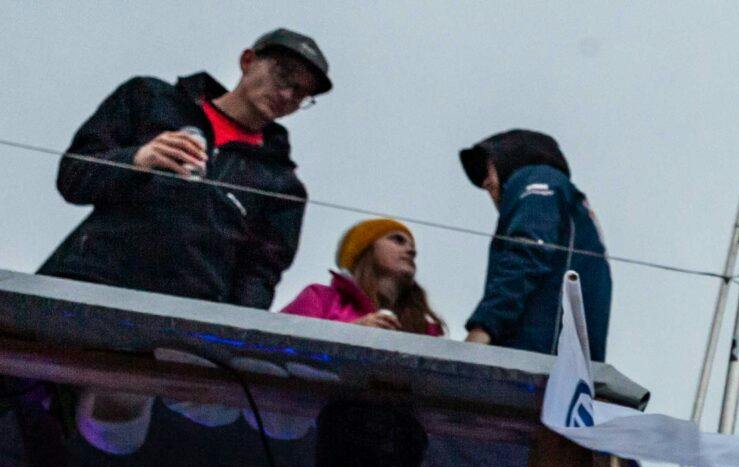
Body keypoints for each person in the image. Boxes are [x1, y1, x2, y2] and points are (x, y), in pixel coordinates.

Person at [39, 29, 327, 309]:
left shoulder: (282, 185)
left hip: (180, 326)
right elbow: (73, 178)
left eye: (302, 93)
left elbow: (258, 277)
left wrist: (230, 340)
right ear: (248, 60)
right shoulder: (150, 99)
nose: (287, 93)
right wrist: (136, 159)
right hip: (86, 287)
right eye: (283, 74)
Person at [458, 130, 611, 358]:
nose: (486, 182)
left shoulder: (536, 179)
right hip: (570, 371)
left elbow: (528, 252)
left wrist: (483, 329)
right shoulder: (572, 206)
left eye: (488, 169)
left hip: (534, 360)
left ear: (510, 156)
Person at [281, 218, 447, 336]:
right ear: (366, 249)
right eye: (397, 240)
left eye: (412, 247)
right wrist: (349, 334)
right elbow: (280, 344)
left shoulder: (423, 329)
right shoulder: (320, 298)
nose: (412, 251)